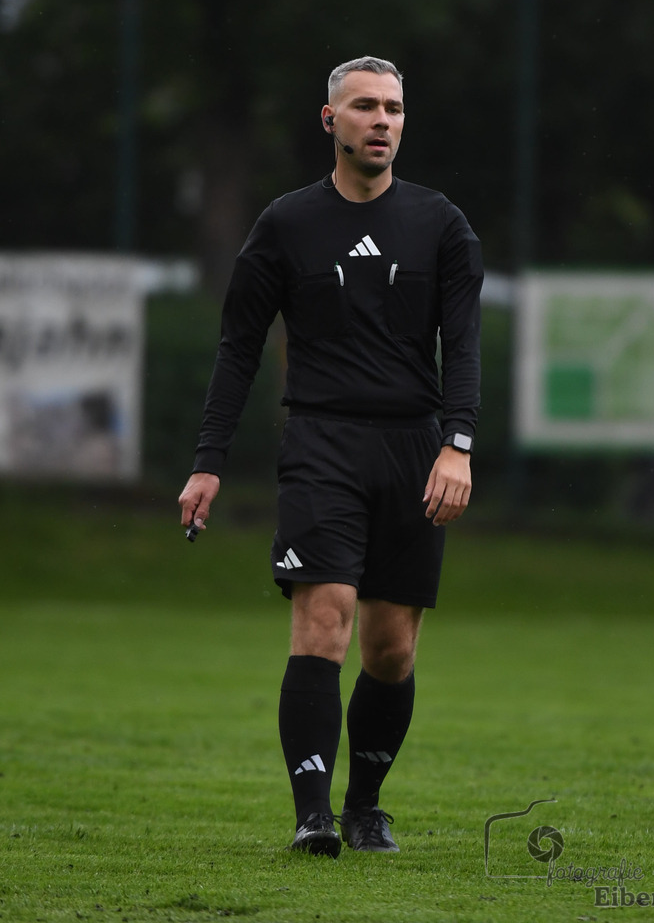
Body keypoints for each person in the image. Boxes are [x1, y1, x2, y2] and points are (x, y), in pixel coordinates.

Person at [178, 55, 483, 858]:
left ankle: (364, 805)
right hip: (321, 442)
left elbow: (466, 345)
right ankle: (311, 814)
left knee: (391, 646)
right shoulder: (285, 224)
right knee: (324, 621)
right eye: (364, 108)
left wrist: (457, 444)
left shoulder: (441, 223)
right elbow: (238, 348)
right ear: (330, 121)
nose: (381, 121)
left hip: (416, 446)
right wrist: (207, 460)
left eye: (393, 109)